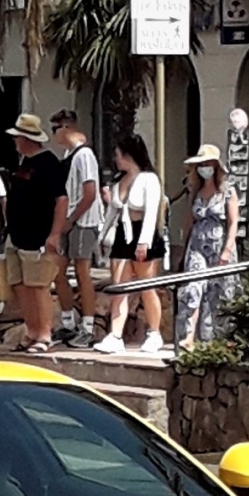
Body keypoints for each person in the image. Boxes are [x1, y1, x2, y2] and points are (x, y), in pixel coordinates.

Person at [0, 114, 68, 353]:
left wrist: (55, 234)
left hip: (38, 236)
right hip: (16, 235)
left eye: (18, 137)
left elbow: (61, 199)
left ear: (27, 138)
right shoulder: (23, 163)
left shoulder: (48, 163)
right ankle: (31, 331)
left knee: (38, 286)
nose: (15, 141)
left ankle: (44, 335)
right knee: (19, 285)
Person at [93, 134, 166, 356]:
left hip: (143, 232)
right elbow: (111, 213)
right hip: (122, 235)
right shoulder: (118, 182)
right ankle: (115, 335)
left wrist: (143, 241)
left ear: (128, 155)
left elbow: (152, 212)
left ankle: (154, 333)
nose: (115, 159)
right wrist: (102, 238)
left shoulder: (149, 179)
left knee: (146, 286)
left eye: (118, 155)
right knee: (119, 288)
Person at [49, 110, 106, 346]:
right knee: (57, 271)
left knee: (83, 273)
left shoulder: (85, 155)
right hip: (68, 221)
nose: (54, 135)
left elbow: (90, 193)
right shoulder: (68, 154)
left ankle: (88, 326)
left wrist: (72, 218)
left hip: (83, 222)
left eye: (56, 129)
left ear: (66, 127)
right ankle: (68, 322)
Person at [175, 145, 240, 350]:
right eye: (201, 164)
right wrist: (183, 247)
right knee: (193, 287)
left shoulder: (228, 190)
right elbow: (188, 220)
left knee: (218, 293)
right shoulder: (194, 191)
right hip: (197, 245)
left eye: (208, 163)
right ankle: (188, 336)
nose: (204, 168)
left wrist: (228, 249)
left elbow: (233, 221)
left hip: (219, 244)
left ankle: (217, 340)